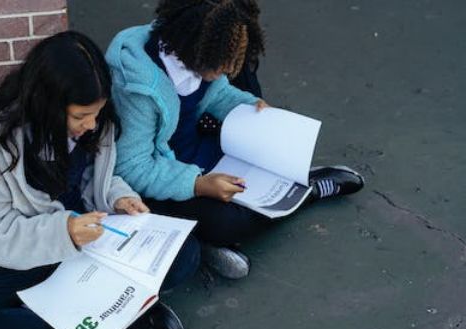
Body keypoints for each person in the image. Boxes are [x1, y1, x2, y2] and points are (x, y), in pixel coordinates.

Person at [0, 31, 199, 329]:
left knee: (186, 253)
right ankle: (112, 313)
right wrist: (64, 232)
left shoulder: (97, 125)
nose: (91, 124)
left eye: (97, 113)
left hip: (92, 241)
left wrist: (118, 197)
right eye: (80, 116)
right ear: (48, 104)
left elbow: (96, 176)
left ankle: (83, 315)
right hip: (30, 254)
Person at [105, 0, 364, 279]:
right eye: (222, 65)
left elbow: (217, 94)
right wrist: (197, 185)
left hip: (201, 150)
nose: (228, 71)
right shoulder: (138, 88)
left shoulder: (197, 56)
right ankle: (306, 194)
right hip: (163, 174)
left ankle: (295, 187)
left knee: (266, 155)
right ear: (197, 50)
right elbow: (132, 166)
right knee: (226, 221)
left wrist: (250, 107)